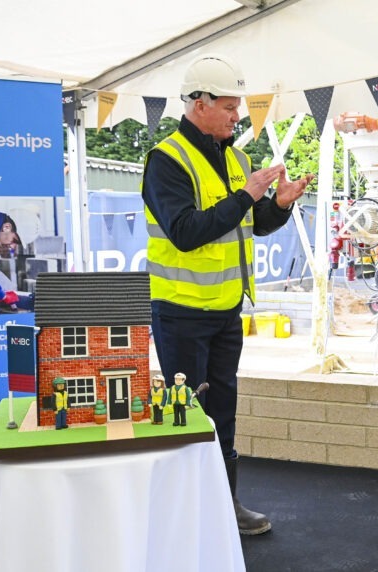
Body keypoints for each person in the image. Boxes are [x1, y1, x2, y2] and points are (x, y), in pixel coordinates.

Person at [142, 53, 313, 536]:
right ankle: (180, 515)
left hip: (225, 310)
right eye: (229, 107)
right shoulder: (166, 160)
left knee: (222, 413)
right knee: (185, 417)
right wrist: (246, 195)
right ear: (199, 104)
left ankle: (224, 506)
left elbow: (253, 224)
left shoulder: (237, 158)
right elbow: (185, 232)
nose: (238, 116)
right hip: (180, 313)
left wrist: (278, 202)